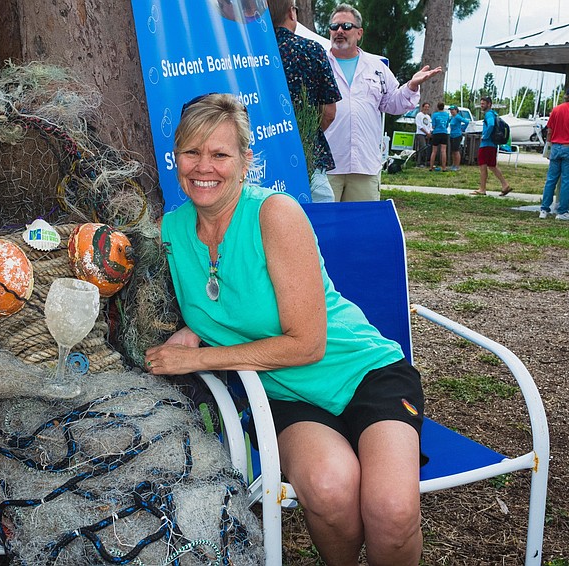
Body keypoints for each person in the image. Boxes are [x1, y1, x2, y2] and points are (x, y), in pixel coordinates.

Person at [145, 93, 425, 566]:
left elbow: (308, 343)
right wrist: (195, 331)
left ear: (245, 160)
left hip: (362, 372)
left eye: (220, 153)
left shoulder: (274, 214)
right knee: (330, 490)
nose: (203, 166)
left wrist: (196, 358)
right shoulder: (171, 233)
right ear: (176, 157)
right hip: (284, 393)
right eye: (192, 152)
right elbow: (217, 302)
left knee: (392, 512)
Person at [323, 3, 441, 201]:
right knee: (322, 228)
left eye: (346, 26)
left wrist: (411, 85)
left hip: (365, 165)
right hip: (327, 165)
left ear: (359, 33)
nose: (339, 31)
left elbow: (392, 103)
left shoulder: (376, 67)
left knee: (362, 229)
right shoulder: (319, 63)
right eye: (334, 27)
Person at [269, 0, 342, 203]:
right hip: (307, 153)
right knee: (320, 218)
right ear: (292, 14)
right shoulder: (311, 50)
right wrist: (306, 134)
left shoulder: (250, 53)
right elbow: (329, 112)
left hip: (260, 155)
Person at [538, 85, 569, 221]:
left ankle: (544, 209)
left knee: (551, 179)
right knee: (566, 181)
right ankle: (562, 211)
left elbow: (549, 131)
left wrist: (549, 148)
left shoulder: (556, 110)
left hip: (555, 147)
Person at [471, 95, 512, 196]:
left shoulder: (489, 114)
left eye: (483, 104)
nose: (482, 105)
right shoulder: (494, 114)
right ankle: (505, 184)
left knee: (482, 166)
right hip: (493, 144)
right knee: (492, 166)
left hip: (486, 144)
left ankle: (482, 189)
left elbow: (491, 125)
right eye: (481, 103)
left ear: (489, 104)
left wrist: (485, 136)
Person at [447, 105, 470, 171]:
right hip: (452, 135)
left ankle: (457, 166)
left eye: (452, 110)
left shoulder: (458, 117)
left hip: (457, 135)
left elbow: (466, 122)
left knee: (456, 151)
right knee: (453, 151)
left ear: (456, 110)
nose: (451, 111)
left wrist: (463, 129)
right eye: (450, 110)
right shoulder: (452, 118)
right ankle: (453, 164)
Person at [428, 102, 449, 171]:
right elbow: (447, 125)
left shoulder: (435, 115)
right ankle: (444, 167)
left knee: (434, 151)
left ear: (437, 107)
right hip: (444, 133)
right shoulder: (447, 115)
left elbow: (433, 126)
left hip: (436, 133)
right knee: (443, 151)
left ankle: (431, 167)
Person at [414, 102, 432, 167]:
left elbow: (430, 125)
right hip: (420, 133)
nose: (426, 108)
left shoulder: (428, 117)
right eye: (425, 107)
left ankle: (425, 162)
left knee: (426, 149)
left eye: (428, 107)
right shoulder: (419, 115)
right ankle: (419, 163)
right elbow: (419, 126)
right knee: (422, 147)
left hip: (427, 135)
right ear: (422, 107)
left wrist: (429, 132)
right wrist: (426, 133)